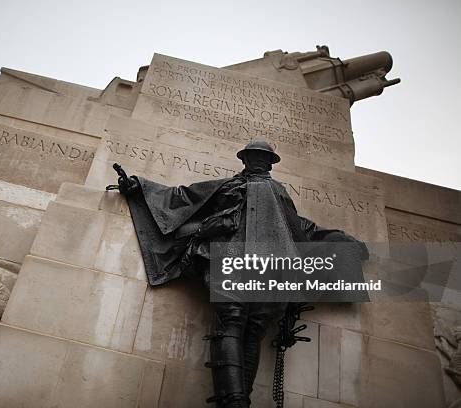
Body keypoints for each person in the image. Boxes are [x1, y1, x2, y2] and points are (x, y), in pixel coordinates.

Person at [117, 140, 367, 408]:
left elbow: (301, 228)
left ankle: (239, 400)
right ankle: (234, 401)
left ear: (271, 163)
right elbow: (184, 198)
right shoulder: (228, 186)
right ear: (245, 159)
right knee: (231, 322)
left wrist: (342, 242)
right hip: (232, 260)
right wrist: (140, 186)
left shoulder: (279, 193)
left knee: (255, 329)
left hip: (272, 270)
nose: (258, 161)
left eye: (263, 157)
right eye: (254, 156)